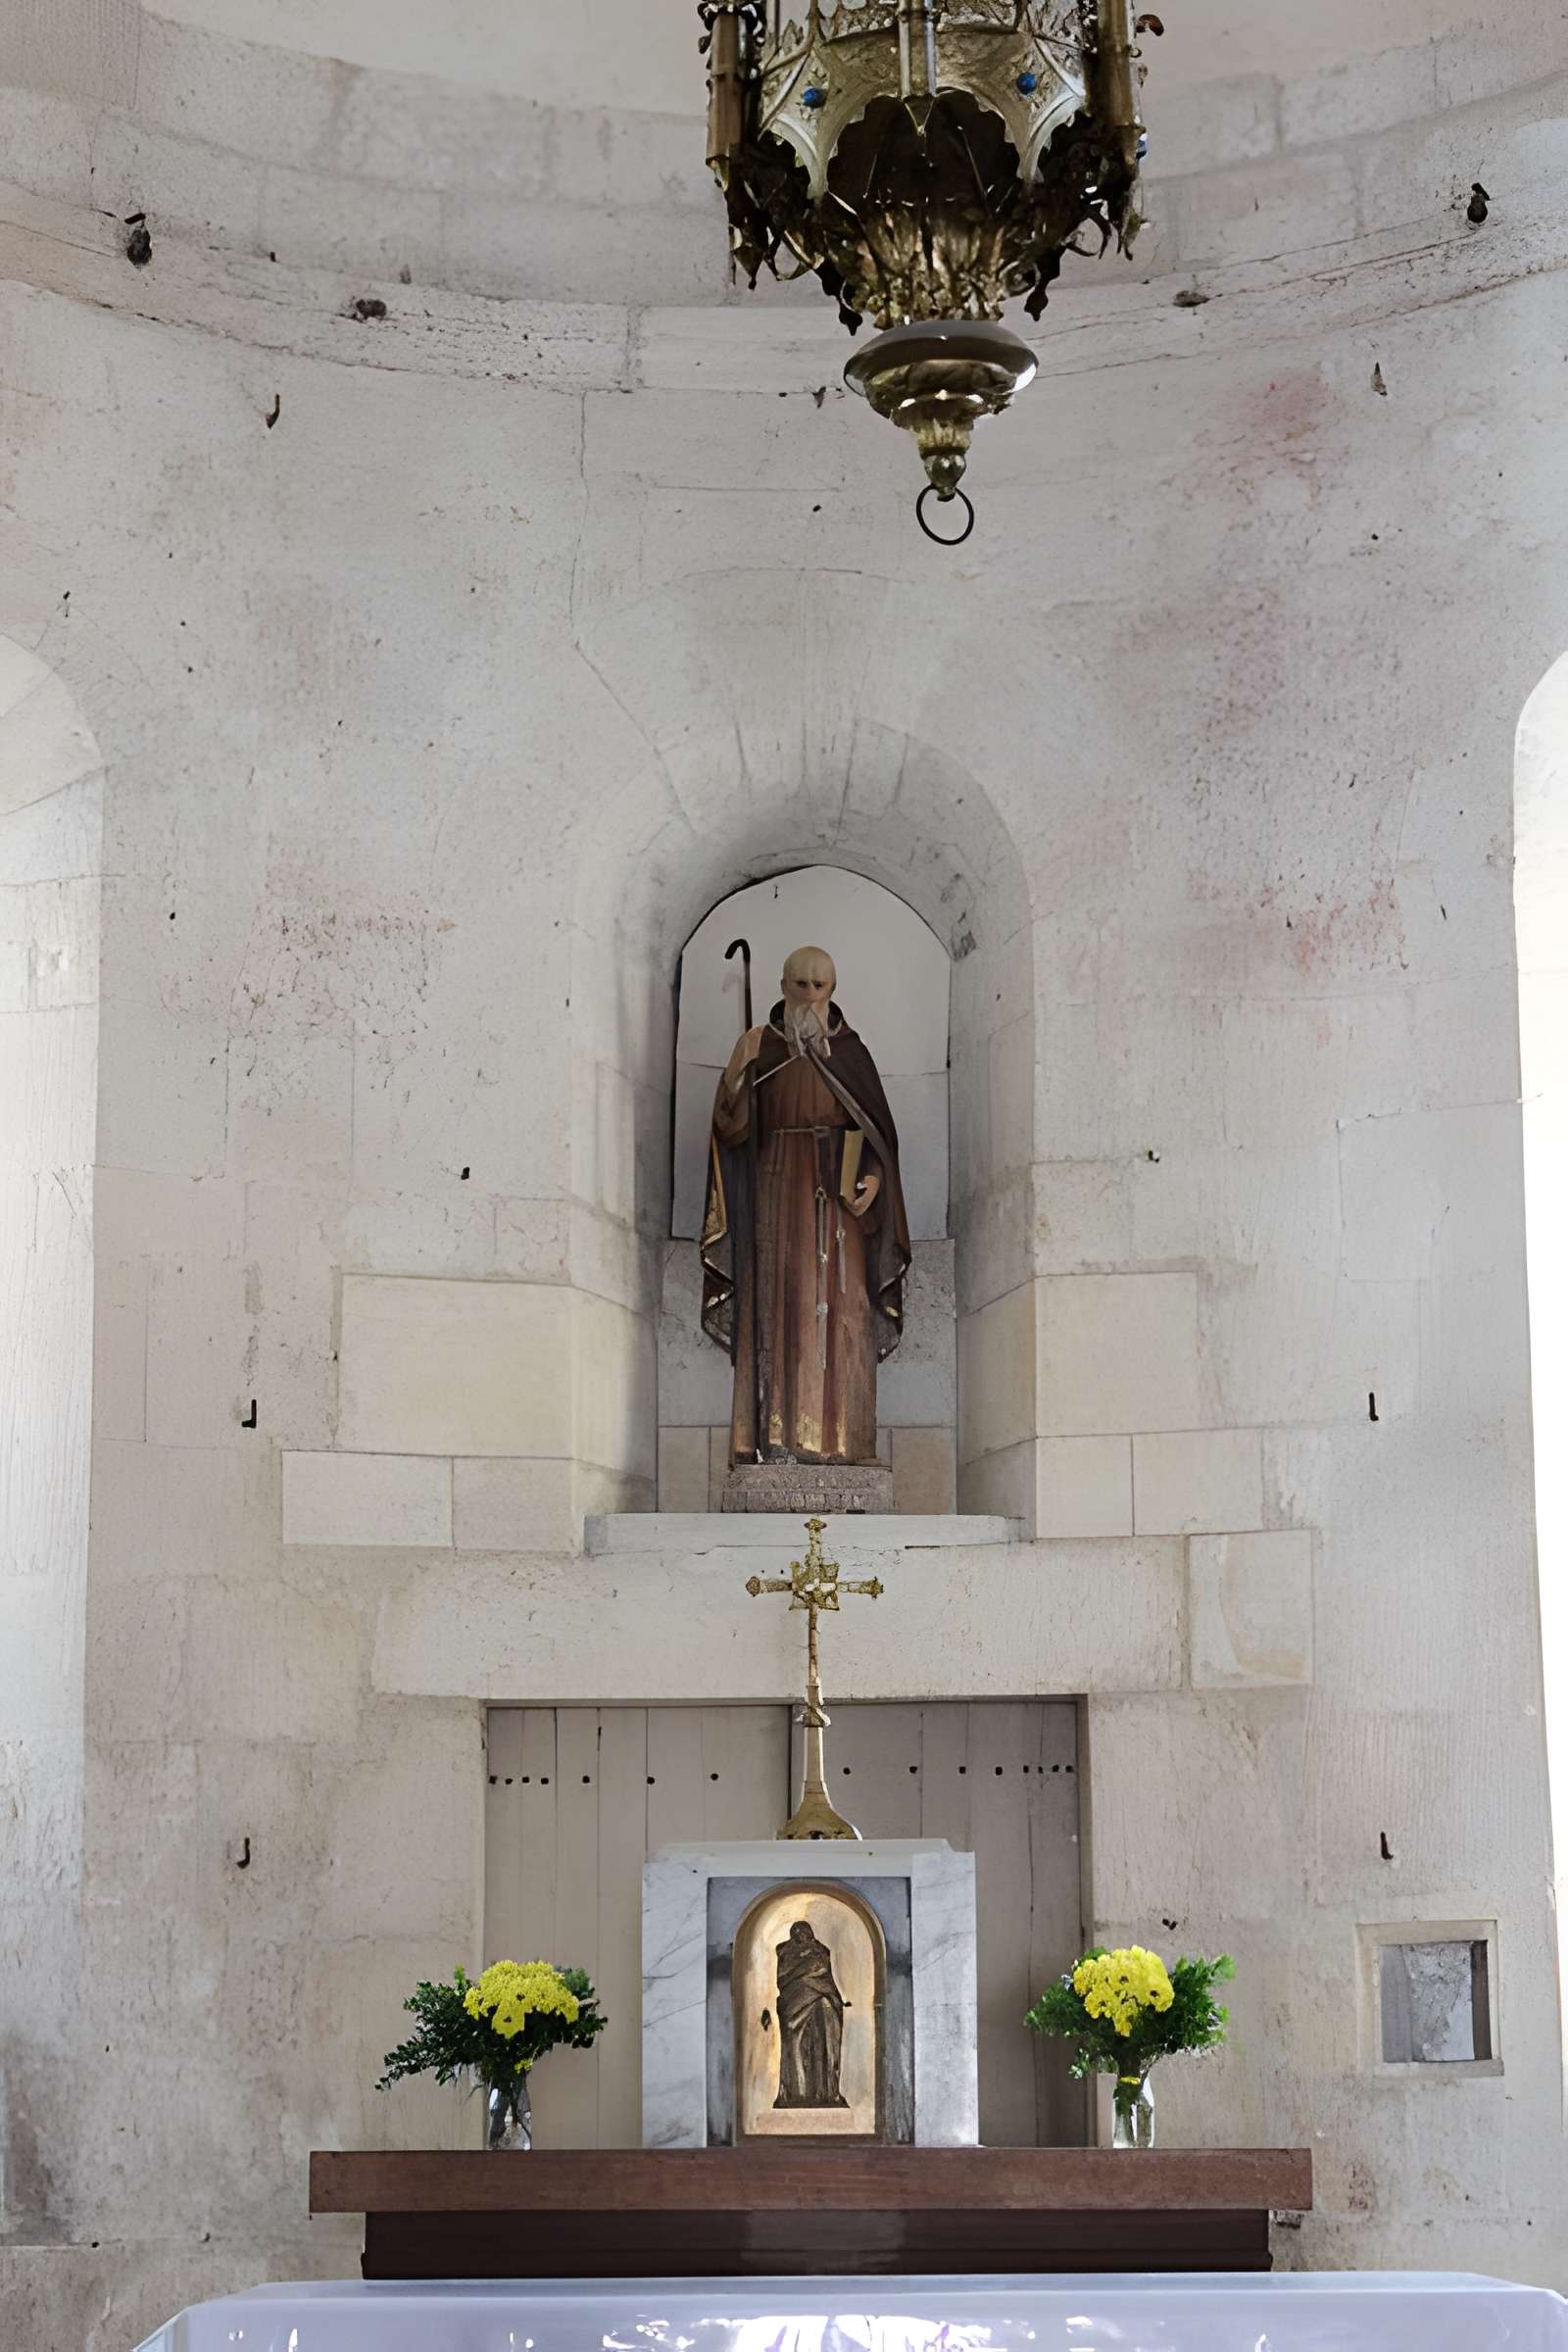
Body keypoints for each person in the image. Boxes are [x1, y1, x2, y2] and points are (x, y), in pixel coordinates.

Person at [702, 945, 910, 1466]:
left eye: (820, 986)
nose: (811, 996)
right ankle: (775, 1437)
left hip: (838, 1197)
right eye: (801, 985)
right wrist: (737, 1073)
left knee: (844, 1306)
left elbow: (879, 1134)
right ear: (782, 986)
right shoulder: (760, 1047)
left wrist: (873, 1179)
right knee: (780, 1302)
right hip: (776, 1187)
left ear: (833, 989)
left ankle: (847, 1440)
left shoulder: (852, 1053)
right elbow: (730, 1130)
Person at [774, 1919, 848, 2107]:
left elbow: (824, 1973)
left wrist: (815, 1981)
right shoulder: (784, 1950)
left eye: (804, 1932)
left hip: (820, 1995)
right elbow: (782, 1979)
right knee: (793, 2032)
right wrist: (805, 1970)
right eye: (796, 1932)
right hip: (794, 1999)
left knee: (826, 2010)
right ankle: (797, 2093)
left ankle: (825, 2091)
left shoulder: (820, 1950)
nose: (800, 1935)